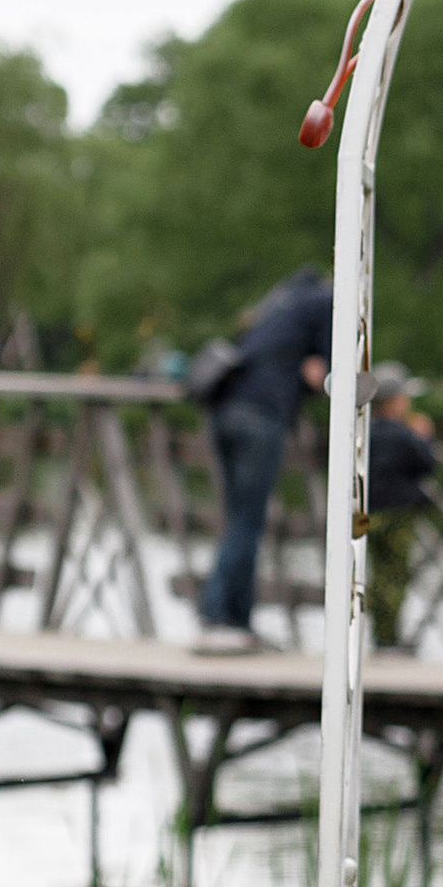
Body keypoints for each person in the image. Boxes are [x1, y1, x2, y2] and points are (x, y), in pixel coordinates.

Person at [191, 265, 332, 652]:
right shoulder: (326, 301)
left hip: (224, 412)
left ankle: (233, 618)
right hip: (262, 417)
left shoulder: (277, 303)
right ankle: (220, 618)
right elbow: (322, 370)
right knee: (248, 521)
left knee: (239, 519)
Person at [359, 365, 437, 650]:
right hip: (397, 514)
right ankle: (388, 639)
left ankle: (377, 637)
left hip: (367, 513)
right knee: (393, 576)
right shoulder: (403, 435)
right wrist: (423, 438)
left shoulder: (362, 431)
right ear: (396, 400)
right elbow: (427, 464)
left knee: (372, 575)